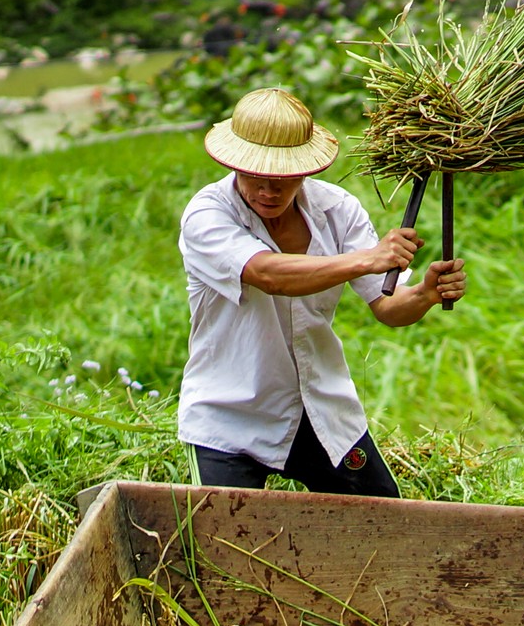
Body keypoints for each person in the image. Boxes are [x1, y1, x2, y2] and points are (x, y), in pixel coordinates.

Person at [177, 87, 466, 497]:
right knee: (225, 549)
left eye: (282, 178)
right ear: (234, 163)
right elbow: (268, 273)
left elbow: (387, 305)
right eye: (255, 175)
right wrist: (368, 259)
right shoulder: (207, 214)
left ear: (305, 170)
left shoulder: (338, 210)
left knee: (385, 520)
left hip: (320, 408)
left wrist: (425, 293)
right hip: (230, 415)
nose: (268, 191)